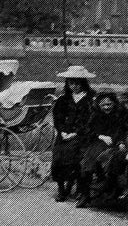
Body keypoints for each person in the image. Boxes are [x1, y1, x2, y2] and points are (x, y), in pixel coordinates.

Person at [51, 66, 95, 202]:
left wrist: (76, 133)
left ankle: (72, 185)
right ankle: (61, 188)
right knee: (58, 156)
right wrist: (63, 131)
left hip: (81, 134)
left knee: (75, 158)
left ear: (83, 83)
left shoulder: (90, 100)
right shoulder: (64, 99)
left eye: (77, 83)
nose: (74, 86)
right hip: (65, 133)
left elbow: (90, 120)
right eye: (71, 83)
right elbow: (58, 118)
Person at [76, 91, 122, 208]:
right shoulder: (95, 116)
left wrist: (116, 140)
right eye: (103, 105)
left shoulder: (118, 116)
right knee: (87, 163)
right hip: (97, 143)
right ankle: (85, 194)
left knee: (107, 161)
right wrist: (100, 136)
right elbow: (87, 131)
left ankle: (106, 190)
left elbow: (121, 131)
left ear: (114, 104)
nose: (106, 107)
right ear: (99, 105)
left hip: (113, 144)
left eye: (109, 104)